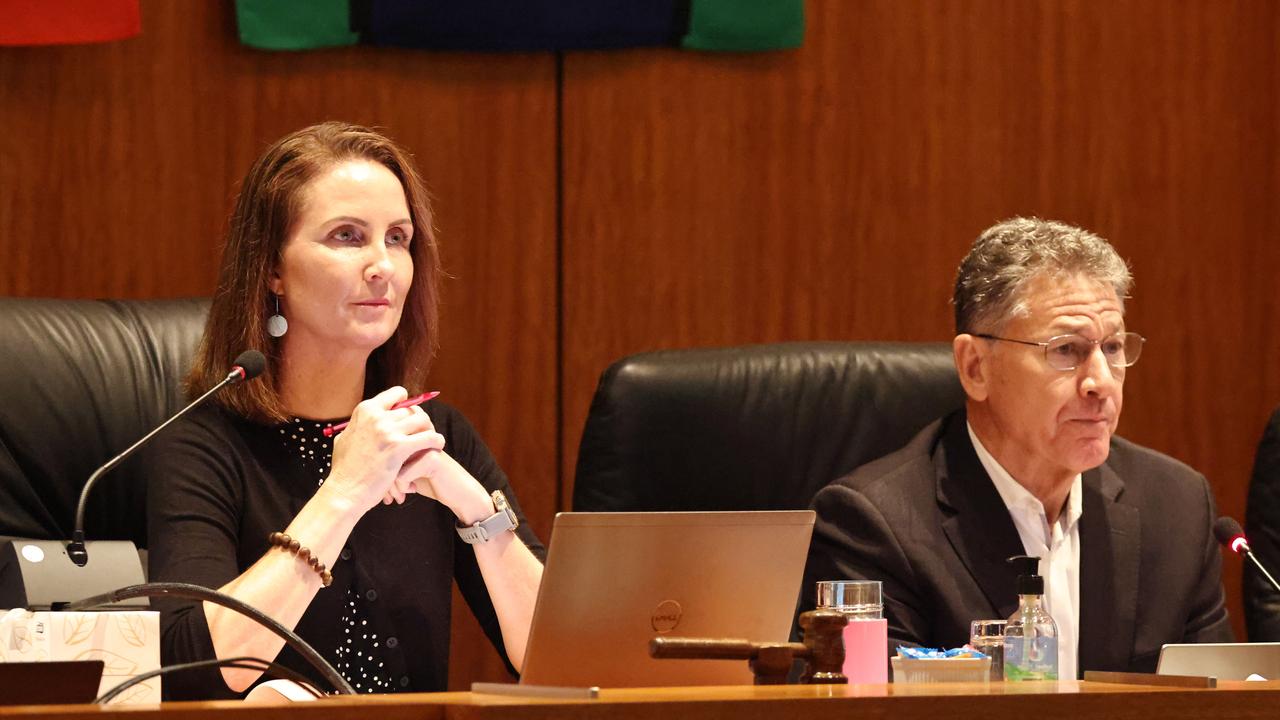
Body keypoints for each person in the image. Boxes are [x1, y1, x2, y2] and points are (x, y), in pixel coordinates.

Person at [146, 121, 544, 699]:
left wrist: (476, 512)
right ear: (272, 269)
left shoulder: (436, 435)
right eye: (348, 237)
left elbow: (558, 661)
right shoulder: (202, 447)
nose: (382, 265)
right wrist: (344, 492)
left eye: (399, 239)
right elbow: (198, 671)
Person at [801, 217, 1232, 678]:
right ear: (975, 368)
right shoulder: (874, 527)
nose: (1101, 382)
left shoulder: (1178, 509)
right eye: (1066, 350)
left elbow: (1215, 703)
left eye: (1111, 348)